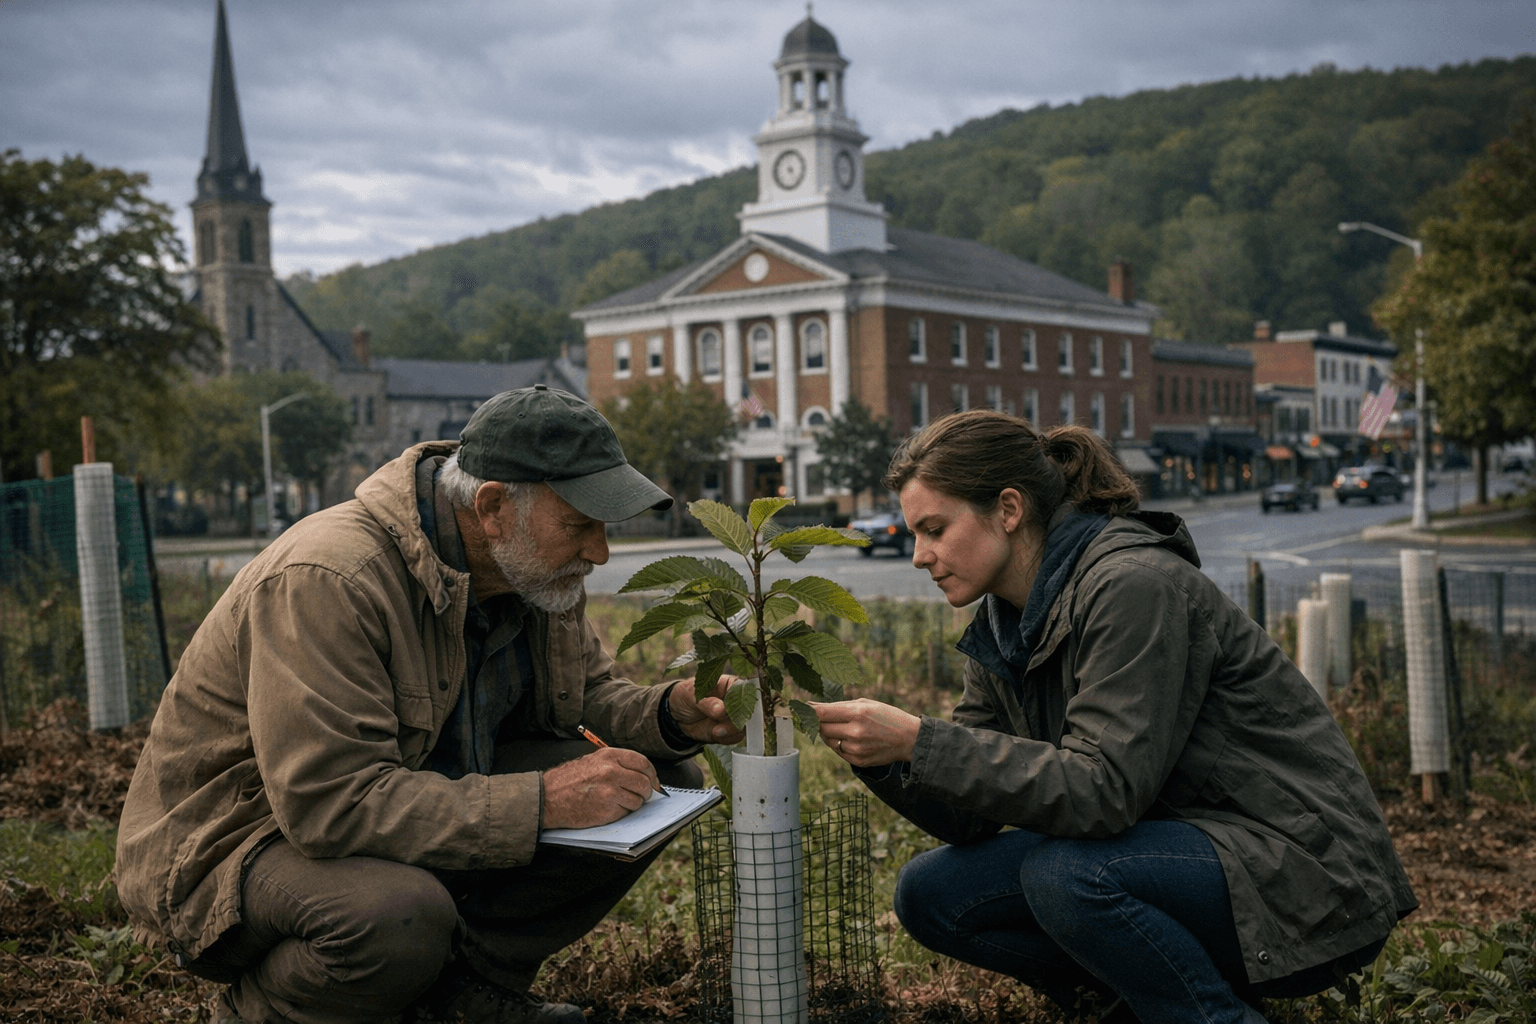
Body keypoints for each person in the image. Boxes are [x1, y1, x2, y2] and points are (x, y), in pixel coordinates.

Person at [116, 385, 744, 1024]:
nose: (599, 552)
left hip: (399, 793)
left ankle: (461, 994)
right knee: (398, 915)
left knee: (656, 779)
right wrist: (545, 801)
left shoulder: (531, 568)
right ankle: (262, 1011)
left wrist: (670, 713)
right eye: (580, 525)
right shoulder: (329, 580)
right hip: (236, 843)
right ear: (493, 505)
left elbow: (581, 701)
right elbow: (330, 804)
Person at [813, 410, 1416, 1024]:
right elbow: (967, 817)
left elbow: (1102, 792)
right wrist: (881, 750)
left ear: (1009, 509)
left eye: (935, 529)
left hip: (1300, 869)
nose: (919, 556)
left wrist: (920, 739)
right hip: (1183, 849)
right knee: (933, 895)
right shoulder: (1004, 625)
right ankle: (1139, 1002)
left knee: (1067, 876)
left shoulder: (1133, 585)